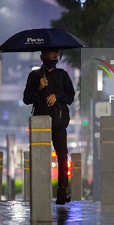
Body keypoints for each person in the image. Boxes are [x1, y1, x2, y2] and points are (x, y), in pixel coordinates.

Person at [22, 49, 75, 204]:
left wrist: (56, 96)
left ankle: (62, 191)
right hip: (41, 123)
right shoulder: (34, 76)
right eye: (49, 58)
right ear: (42, 58)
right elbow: (27, 99)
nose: (52, 60)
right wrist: (39, 88)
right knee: (40, 157)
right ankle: (40, 191)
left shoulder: (63, 75)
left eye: (55, 58)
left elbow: (70, 97)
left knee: (62, 156)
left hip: (59, 123)